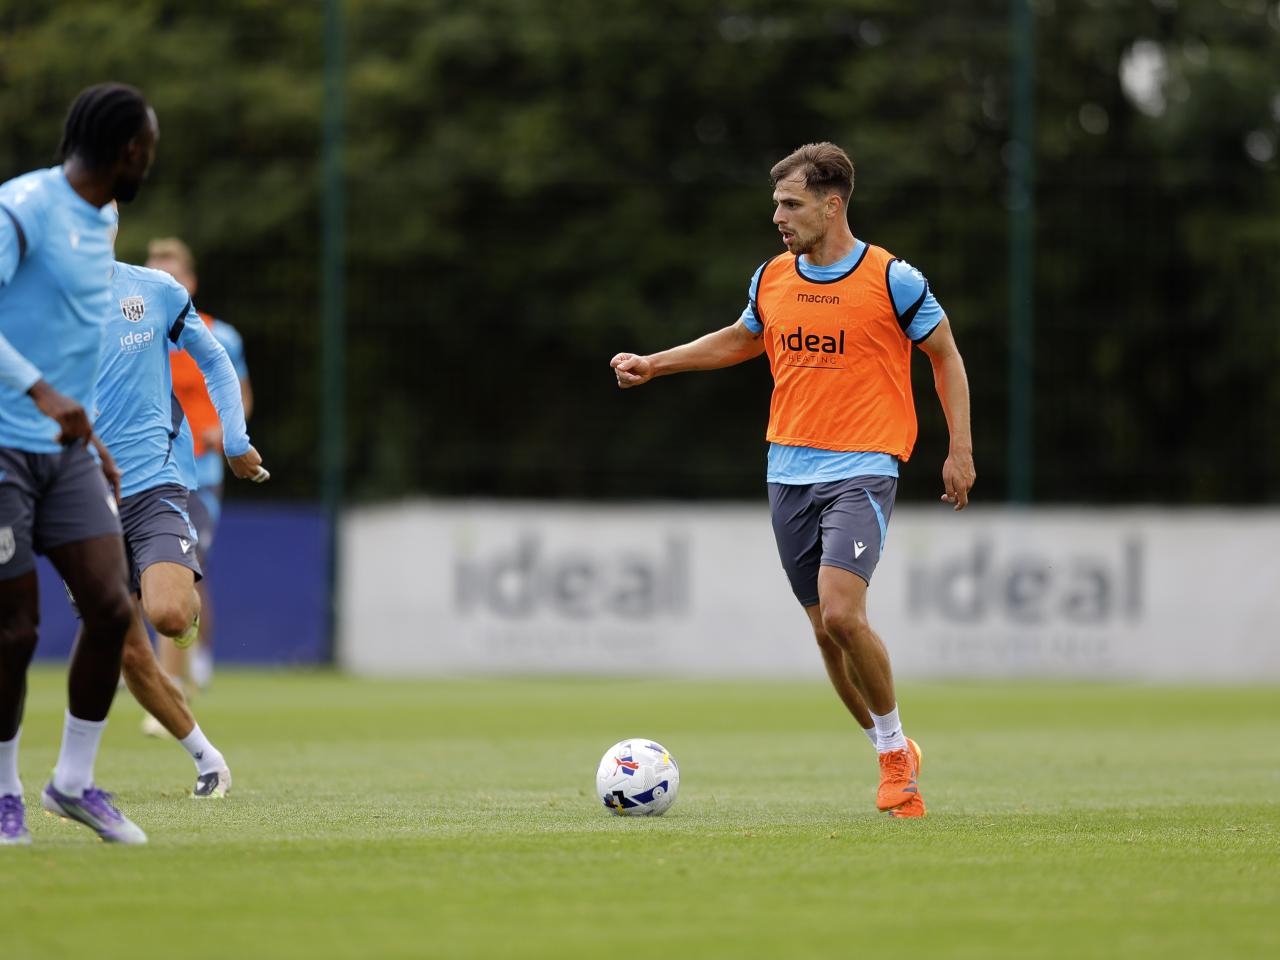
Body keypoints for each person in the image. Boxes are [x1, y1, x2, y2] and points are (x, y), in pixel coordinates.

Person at [610, 142, 975, 819]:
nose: (777, 216)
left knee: (843, 612)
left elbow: (945, 356)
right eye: (777, 203)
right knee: (825, 634)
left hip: (864, 465)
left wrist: (960, 449)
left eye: (790, 204)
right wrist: (655, 364)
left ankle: (897, 762)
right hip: (787, 470)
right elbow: (742, 339)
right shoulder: (773, 277)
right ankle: (887, 745)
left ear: (831, 205)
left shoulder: (893, 279)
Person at [0, 83, 159, 845]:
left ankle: (72, 781)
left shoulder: (105, 219)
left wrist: (90, 435)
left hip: (66, 453)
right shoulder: (21, 209)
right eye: (148, 149)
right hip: (3, 442)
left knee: (110, 604)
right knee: (15, 630)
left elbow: (72, 339)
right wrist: (39, 390)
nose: (149, 162)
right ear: (126, 150)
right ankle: (3, 795)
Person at [97, 226, 268, 798]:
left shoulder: (167, 303)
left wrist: (233, 437)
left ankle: (184, 661)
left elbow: (229, 376)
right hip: (87, 494)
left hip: (176, 477)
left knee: (171, 608)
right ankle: (196, 752)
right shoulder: (56, 306)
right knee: (119, 641)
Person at [145, 238, 252, 692]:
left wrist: (227, 431)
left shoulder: (220, 336)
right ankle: (152, 667)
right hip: (147, 470)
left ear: (189, 283)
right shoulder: (137, 334)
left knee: (185, 568)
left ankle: (177, 672)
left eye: (172, 276)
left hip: (201, 473)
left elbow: (241, 392)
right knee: (143, 573)